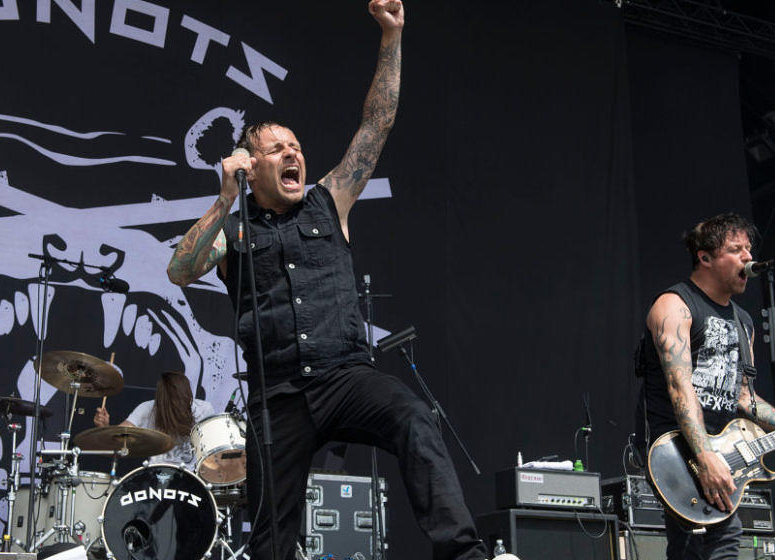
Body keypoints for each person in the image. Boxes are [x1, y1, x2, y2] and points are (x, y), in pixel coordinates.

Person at [166, 1, 488, 558]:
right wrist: (223, 197)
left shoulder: (329, 200)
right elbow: (180, 269)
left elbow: (377, 123)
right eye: (277, 149)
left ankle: (462, 554)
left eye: (295, 146)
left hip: (345, 377)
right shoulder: (233, 228)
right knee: (270, 537)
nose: (293, 154)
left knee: (413, 417)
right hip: (278, 398)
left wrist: (392, 36)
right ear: (250, 165)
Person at [635, 213, 775, 559]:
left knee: (714, 546)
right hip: (676, 450)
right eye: (736, 249)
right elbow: (679, 388)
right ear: (705, 257)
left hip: (723, 450)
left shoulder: (743, 323)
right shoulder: (675, 306)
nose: (748, 257)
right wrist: (704, 455)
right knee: (703, 543)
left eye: (749, 248)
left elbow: (745, 399)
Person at [94, 371, 215, 466]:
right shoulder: (147, 409)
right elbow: (118, 439)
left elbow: (214, 449)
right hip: (156, 476)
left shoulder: (203, 410)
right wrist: (105, 428)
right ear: (160, 401)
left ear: (188, 397)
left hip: (192, 477)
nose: (175, 406)